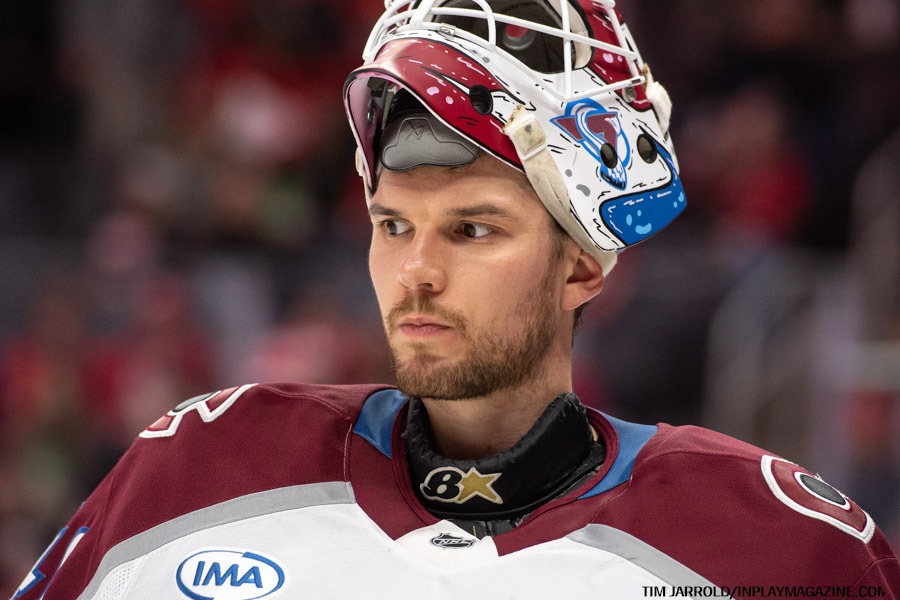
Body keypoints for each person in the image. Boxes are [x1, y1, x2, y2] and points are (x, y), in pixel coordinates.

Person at [13, 0, 899, 598]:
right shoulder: (197, 470)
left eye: (473, 230)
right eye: (393, 225)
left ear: (584, 267)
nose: (417, 272)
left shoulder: (784, 549)